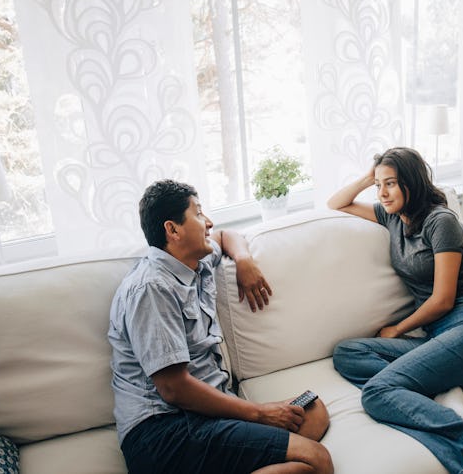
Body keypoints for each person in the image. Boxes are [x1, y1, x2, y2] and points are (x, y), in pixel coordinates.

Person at [109, 179, 332, 474]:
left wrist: (243, 260)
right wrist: (260, 414)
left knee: (313, 411)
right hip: (165, 430)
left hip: (209, 416)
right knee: (316, 461)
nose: (209, 222)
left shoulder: (195, 262)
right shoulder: (151, 288)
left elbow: (228, 236)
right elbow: (174, 389)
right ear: (172, 230)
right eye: (199, 214)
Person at [327, 147, 463, 474]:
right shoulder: (391, 216)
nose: (382, 192)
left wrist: (397, 329)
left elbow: (444, 299)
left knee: (377, 393)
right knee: (346, 352)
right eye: (378, 185)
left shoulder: (441, 221)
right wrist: (370, 174)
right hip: (438, 337)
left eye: (391, 183)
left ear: (412, 183)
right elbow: (337, 203)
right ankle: (430, 397)